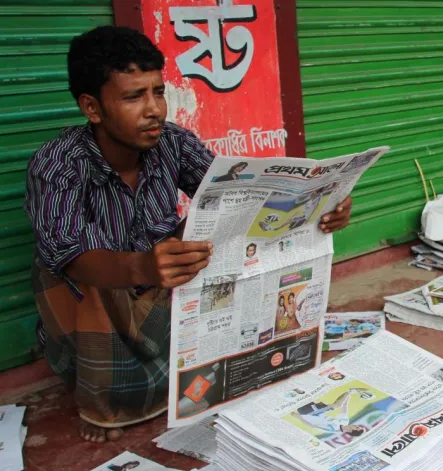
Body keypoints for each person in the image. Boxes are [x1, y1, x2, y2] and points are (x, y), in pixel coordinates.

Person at [23, 26, 354, 443]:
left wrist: (321, 208)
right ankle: (110, 400)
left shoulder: (173, 144)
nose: (154, 110)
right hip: (97, 298)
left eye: (157, 92)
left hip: (158, 285)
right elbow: (67, 255)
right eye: (133, 97)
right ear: (91, 107)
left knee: (220, 231)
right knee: (71, 273)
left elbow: (238, 199)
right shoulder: (57, 164)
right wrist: (140, 264)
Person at [290, 389, 371, 437]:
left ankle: (350, 391)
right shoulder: (345, 422)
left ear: (350, 431)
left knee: (337, 405)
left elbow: (312, 425)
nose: (357, 425)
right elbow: (344, 409)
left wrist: (299, 417)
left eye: (357, 428)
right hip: (317, 411)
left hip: (308, 413)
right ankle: (349, 392)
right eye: (359, 426)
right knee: (304, 394)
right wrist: (348, 397)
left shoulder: (333, 430)